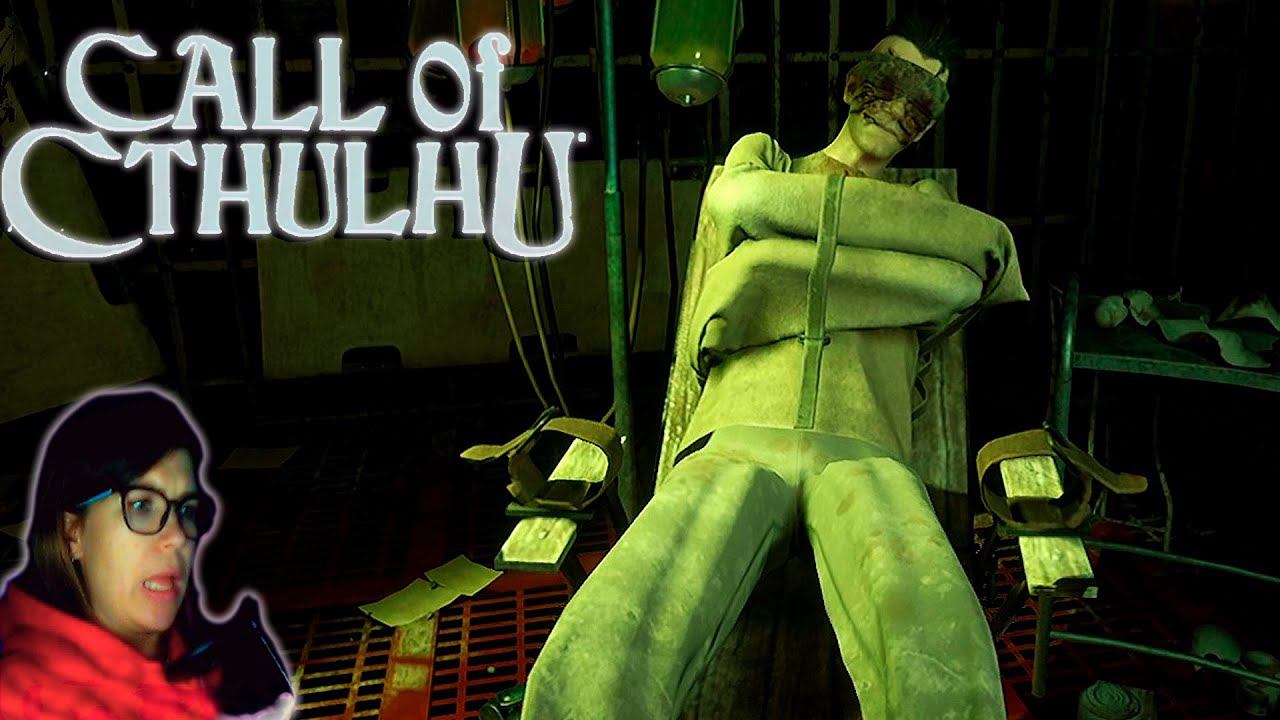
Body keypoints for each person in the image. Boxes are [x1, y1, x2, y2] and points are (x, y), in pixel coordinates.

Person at [522, 15, 1027, 720]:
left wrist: (765, 264)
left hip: (864, 448)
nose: (898, 105)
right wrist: (880, 271)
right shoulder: (766, 157)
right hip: (738, 436)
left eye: (924, 96)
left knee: (937, 645)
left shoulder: (928, 203)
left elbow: (972, 270)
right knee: (617, 632)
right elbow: (739, 199)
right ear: (856, 79)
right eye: (891, 74)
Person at [0, 386, 295, 720]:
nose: (178, 537)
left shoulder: (219, 661)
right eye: (141, 505)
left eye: (186, 510)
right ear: (73, 533)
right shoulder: (25, 700)